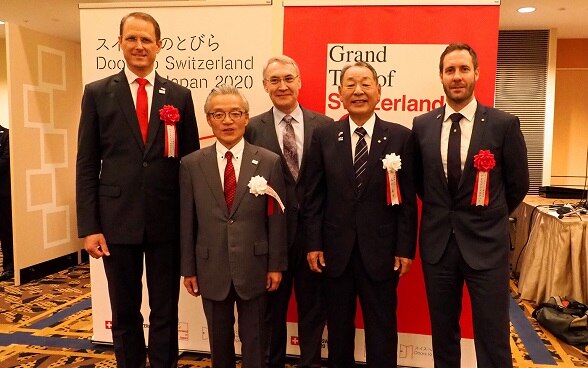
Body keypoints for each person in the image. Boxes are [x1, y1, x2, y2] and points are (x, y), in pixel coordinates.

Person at [76, 12, 200, 368]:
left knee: (165, 310)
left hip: (166, 222)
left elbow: (189, 164)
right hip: (116, 223)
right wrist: (89, 226)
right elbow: (86, 163)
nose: (139, 46)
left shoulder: (179, 95)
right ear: (120, 44)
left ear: (159, 46)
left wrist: (190, 226)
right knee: (125, 311)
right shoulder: (98, 93)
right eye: (132, 38)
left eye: (146, 39)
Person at [412, 43, 529, 368]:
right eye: (450, 70)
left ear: (476, 73)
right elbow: (423, 184)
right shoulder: (422, 125)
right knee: (443, 335)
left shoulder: (502, 124)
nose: (457, 77)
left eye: (464, 69)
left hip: (487, 247)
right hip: (438, 247)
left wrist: (487, 217)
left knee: (491, 337)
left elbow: (518, 185)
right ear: (441, 76)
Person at [304, 61, 418, 367]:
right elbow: (314, 197)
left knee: (382, 328)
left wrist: (404, 248)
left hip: (381, 253)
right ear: (339, 93)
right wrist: (313, 243)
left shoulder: (401, 137)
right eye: (350, 84)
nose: (358, 91)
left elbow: (407, 202)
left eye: (366, 84)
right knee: (339, 329)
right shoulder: (324, 136)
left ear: (379, 91)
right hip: (335, 252)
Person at [180, 84, 288, 368]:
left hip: (255, 265)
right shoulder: (192, 164)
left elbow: (276, 218)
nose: (227, 121)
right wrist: (188, 268)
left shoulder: (268, 161)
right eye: (219, 114)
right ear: (209, 120)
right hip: (210, 266)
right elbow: (187, 220)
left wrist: (275, 264)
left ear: (246, 118)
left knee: (256, 340)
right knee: (219, 342)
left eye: (235, 113)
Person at [244, 55, 331, 368]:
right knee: (270, 313)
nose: (282, 86)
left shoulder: (325, 126)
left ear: (300, 82)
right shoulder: (251, 128)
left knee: (313, 310)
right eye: (275, 80)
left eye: (288, 78)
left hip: (313, 240)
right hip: (270, 240)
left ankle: (309, 363)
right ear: (265, 86)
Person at [0, 124, 14, 282]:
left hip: (3, 194)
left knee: (6, 231)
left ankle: (9, 266)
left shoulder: (6, 135)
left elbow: (5, 160)